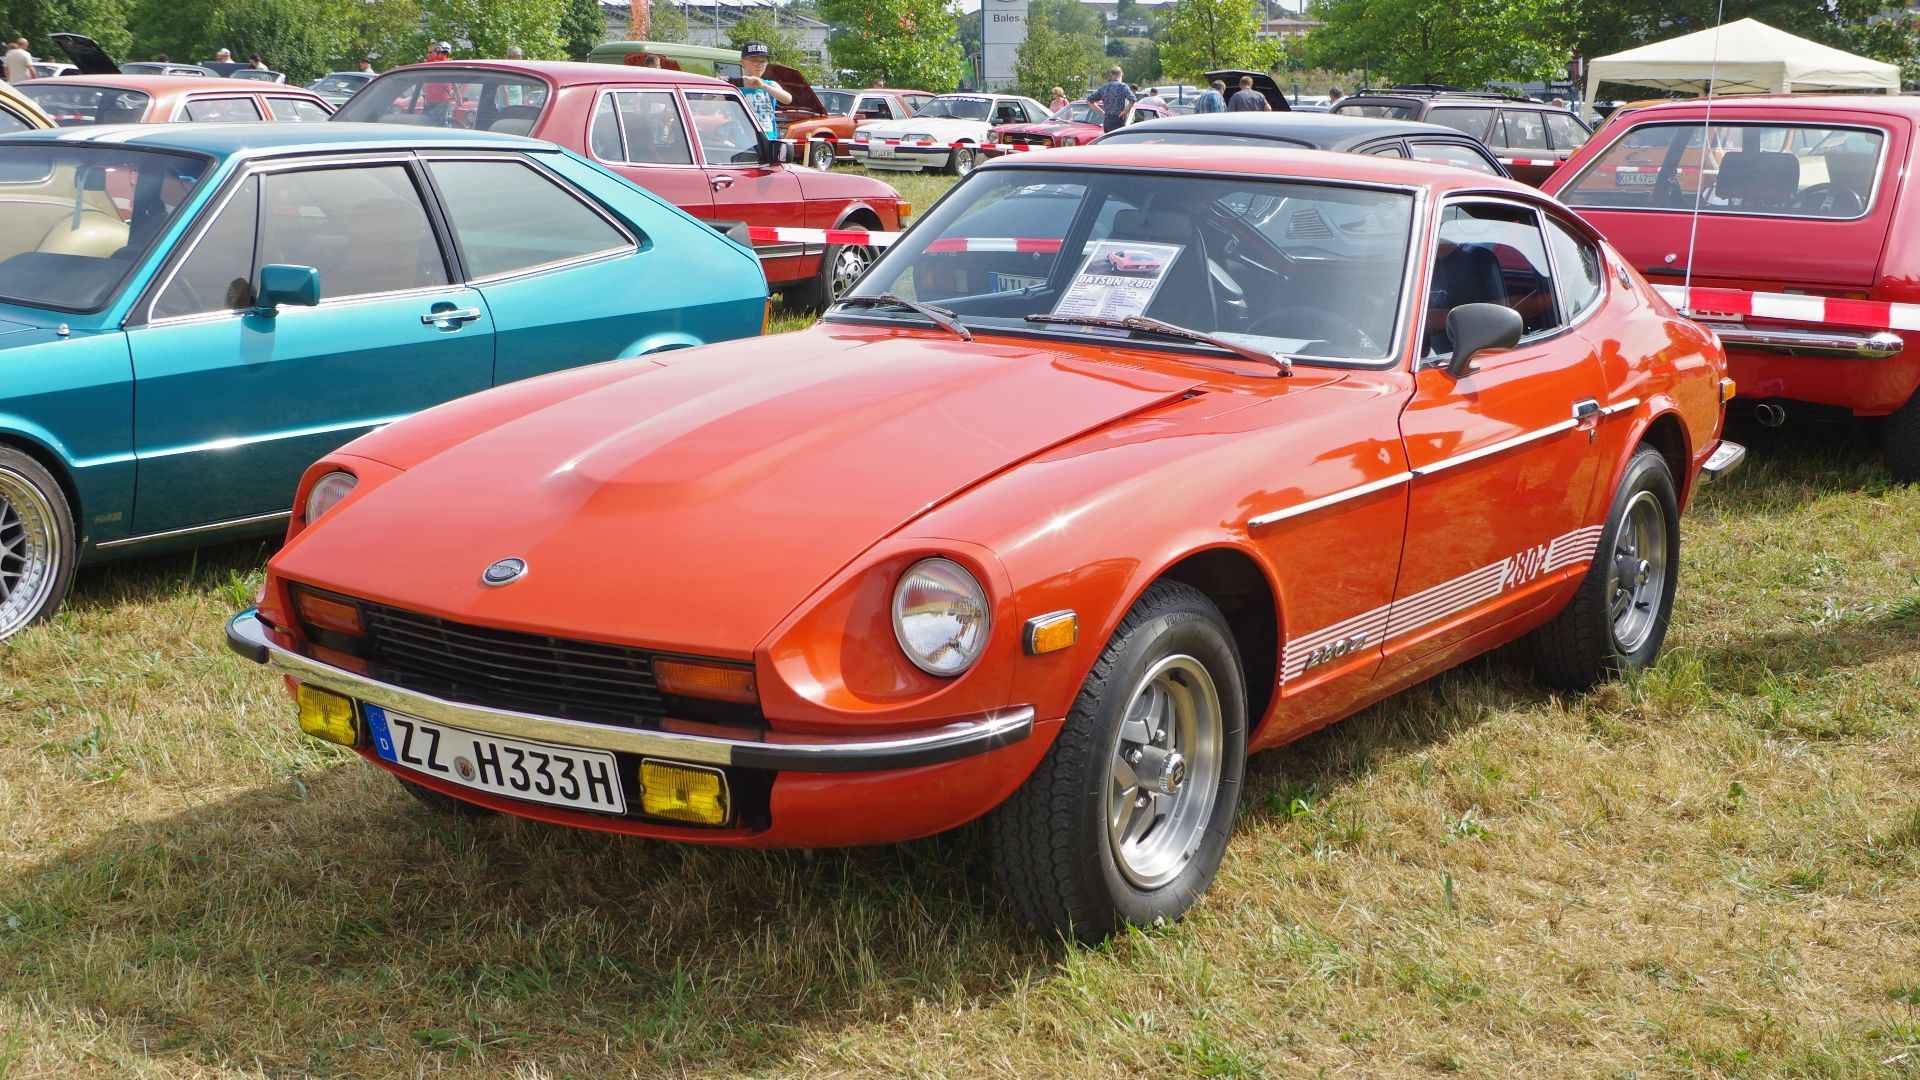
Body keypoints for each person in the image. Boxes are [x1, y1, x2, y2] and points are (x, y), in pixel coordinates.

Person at [736, 40, 791, 138]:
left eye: (763, 61)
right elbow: (707, 108)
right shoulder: (734, 86)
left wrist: (763, 86)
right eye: (755, 60)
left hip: (767, 141)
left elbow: (787, 99)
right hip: (743, 143)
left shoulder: (769, 85)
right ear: (742, 62)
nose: (760, 64)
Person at [1087, 65, 1135, 133]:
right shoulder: (1123, 86)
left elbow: (1089, 100)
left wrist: (1102, 112)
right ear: (1121, 74)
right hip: (1118, 120)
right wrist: (1125, 112)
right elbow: (1133, 99)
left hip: (1107, 120)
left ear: (1111, 75)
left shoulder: (1104, 87)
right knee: (1118, 142)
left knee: (1108, 141)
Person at [421, 41, 456, 125]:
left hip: (442, 99)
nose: (443, 54)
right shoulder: (449, 63)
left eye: (444, 53)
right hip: (436, 98)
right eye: (442, 52)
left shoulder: (430, 62)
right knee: (439, 122)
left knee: (436, 122)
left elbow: (453, 81)